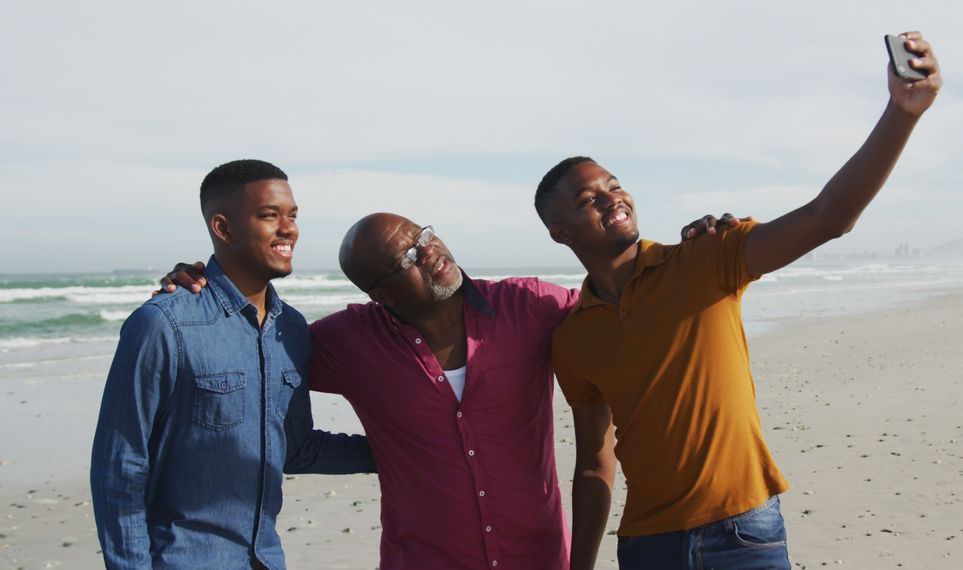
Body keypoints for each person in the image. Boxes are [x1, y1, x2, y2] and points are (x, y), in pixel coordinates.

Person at [533, 32, 942, 569]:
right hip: (647, 545)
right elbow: (593, 462)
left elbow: (828, 217)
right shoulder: (573, 338)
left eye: (614, 184)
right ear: (560, 232)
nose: (612, 197)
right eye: (589, 198)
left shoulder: (706, 258)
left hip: (745, 533)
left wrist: (902, 113)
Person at [161, 211, 735, 568]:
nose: (431, 252)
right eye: (408, 256)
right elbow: (250, 351)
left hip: (539, 559)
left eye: (426, 235)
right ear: (380, 293)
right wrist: (206, 286)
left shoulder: (528, 306)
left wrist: (696, 249)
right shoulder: (348, 341)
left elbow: (626, 309)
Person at [90, 159, 376, 570]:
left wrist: (400, 450)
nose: (289, 229)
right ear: (223, 228)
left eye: (292, 215)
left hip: (266, 560)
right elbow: (120, 467)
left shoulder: (291, 329)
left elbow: (296, 449)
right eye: (268, 215)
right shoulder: (164, 323)